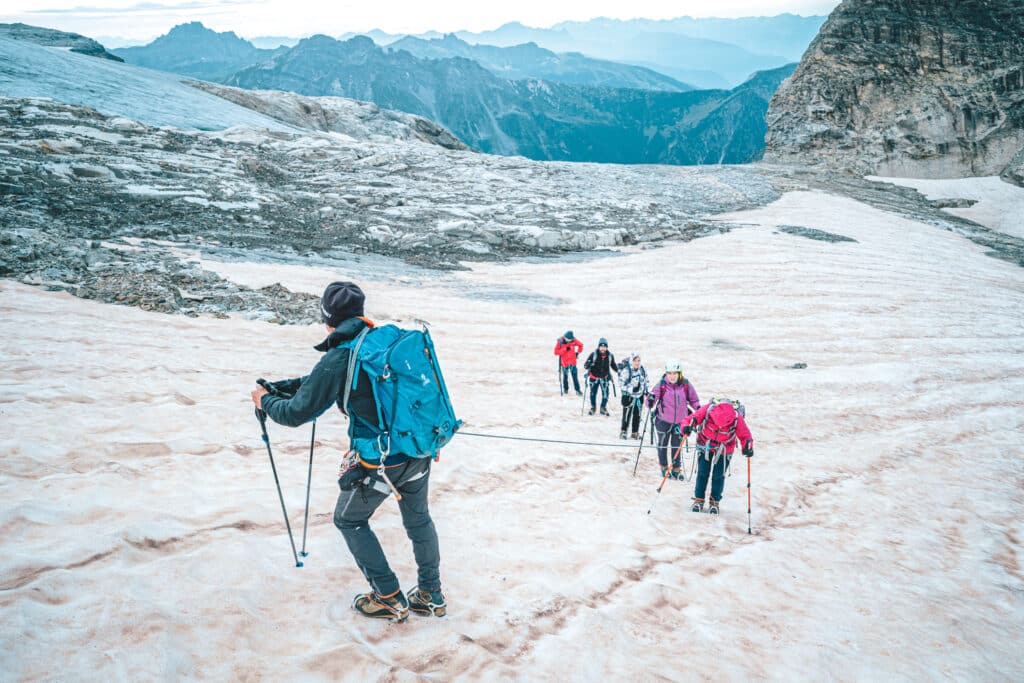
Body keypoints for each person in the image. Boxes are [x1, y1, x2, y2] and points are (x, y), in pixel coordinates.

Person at [249, 281, 445, 622]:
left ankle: (388, 596)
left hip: (382, 463)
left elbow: (296, 413)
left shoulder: (342, 356)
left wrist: (265, 400)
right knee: (418, 518)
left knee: (349, 520)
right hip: (419, 450)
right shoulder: (383, 340)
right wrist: (289, 386)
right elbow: (326, 381)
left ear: (328, 319)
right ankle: (431, 594)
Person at [683, 399, 754, 515]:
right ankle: (699, 499)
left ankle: (713, 502)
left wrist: (747, 446)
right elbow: (691, 420)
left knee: (717, 475)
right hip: (705, 444)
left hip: (724, 449)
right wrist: (686, 427)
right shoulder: (707, 409)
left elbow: (745, 435)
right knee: (704, 473)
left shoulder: (736, 417)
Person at [646, 361, 700, 479]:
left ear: (679, 373)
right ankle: (664, 467)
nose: (672, 376)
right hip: (663, 421)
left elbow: (694, 400)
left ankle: (676, 469)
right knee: (662, 445)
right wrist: (650, 400)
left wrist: (699, 409)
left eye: (674, 373)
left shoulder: (685, 384)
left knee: (677, 446)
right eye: (669, 373)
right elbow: (651, 399)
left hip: (680, 422)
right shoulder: (662, 384)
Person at [618, 353, 649, 439]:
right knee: (627, 414)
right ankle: (623, 431)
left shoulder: (642, 370)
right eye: (635, 361)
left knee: (637, 415)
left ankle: (635, 432)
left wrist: (646, 391)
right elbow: (621, 384)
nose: (637, 363)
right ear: (632, 361)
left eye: (638, 360)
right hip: (628, 396)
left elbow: (646, 381)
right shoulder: (626, 371)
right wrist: (632, 389)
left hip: (639, 396)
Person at [583, 338, 617, 416]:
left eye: (604, 346)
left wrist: (620, 371)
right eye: (601, 346)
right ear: (598, 347)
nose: (602, 348)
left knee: (605, 394)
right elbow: (585, 365)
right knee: (592, 393)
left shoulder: (610, 356)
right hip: (593, 378)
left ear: (606, 347)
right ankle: (593, 407)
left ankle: (603, 408)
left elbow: (613, 366)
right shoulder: (593, 355)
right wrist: (588, 364)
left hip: (604, 378)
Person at [554, 331, 584, 396]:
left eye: (570, 340)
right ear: (564, 337)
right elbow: (556, 352)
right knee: (565, 377)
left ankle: (578, 390)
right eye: (567, 340)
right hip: (564, 363)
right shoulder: (560, 342)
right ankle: (566, 389)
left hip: (573, 362)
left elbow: (581, 345)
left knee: (575, 377)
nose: (568, 341)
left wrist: (577, 353)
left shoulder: (574, 340)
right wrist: (565, 349)